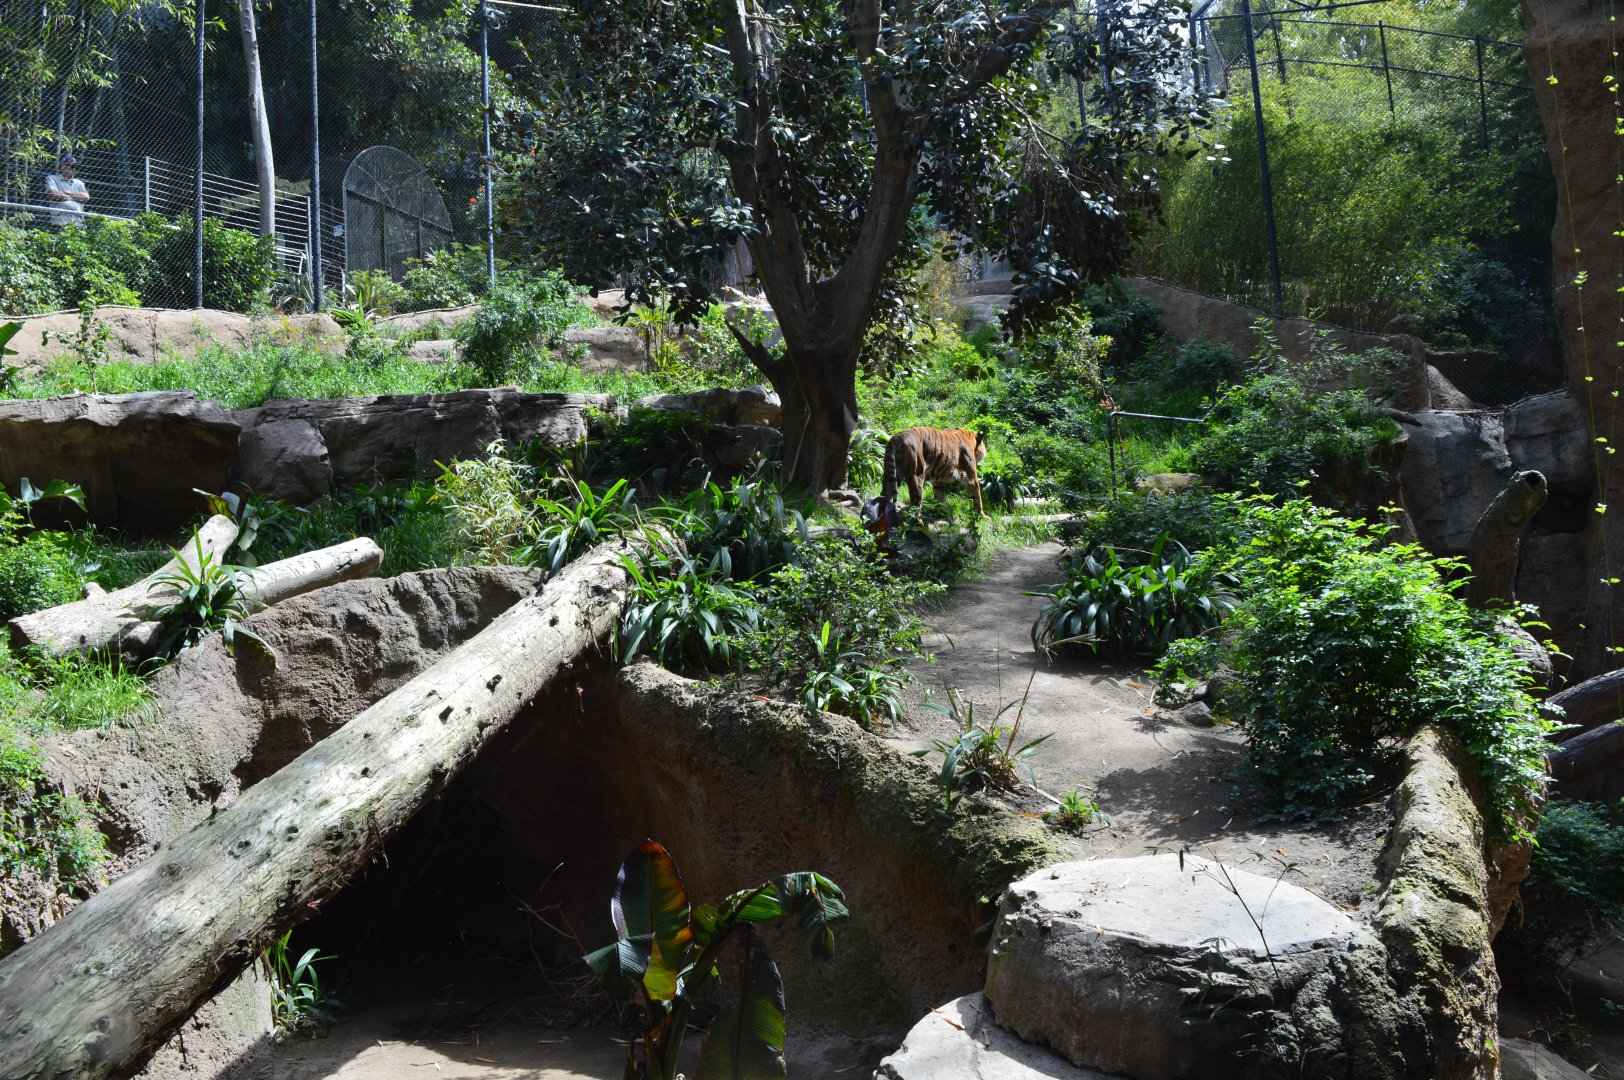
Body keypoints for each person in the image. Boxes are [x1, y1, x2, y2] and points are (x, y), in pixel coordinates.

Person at [44, 154, 90, 227]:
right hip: (60, 221)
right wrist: (76, 197)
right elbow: (54, 195)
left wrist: (68, 194)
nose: (74, 169)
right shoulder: (52, 179)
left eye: (75, 167)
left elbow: (86, 197)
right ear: (63, 167)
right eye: (72, 166)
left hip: (78, 222)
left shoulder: (79, 183)